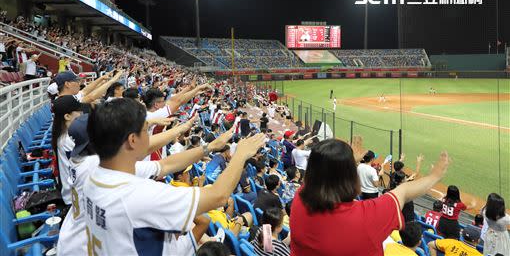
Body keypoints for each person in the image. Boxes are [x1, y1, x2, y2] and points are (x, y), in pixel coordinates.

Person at [83, 98, 266, 255]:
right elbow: (218, 196)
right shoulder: (142, 195)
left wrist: (208, 148)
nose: (150, 136)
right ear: (132, 140)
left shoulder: (96, 173)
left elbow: (166, 165)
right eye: (146, 130)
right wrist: (241, 154)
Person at [290, 139, 450, 256]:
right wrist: (435, 176)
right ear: (349, 176)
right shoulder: (365, 216)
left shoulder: (299, 198)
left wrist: (345, 163)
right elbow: (404, 192)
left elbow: (324, 175)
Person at [51, 96, 88, 208]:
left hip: (74, 191)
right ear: (67, 116)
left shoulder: (64, 134)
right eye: (79, 111)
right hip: (74, 197)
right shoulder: (67, 140)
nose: (82, 113)